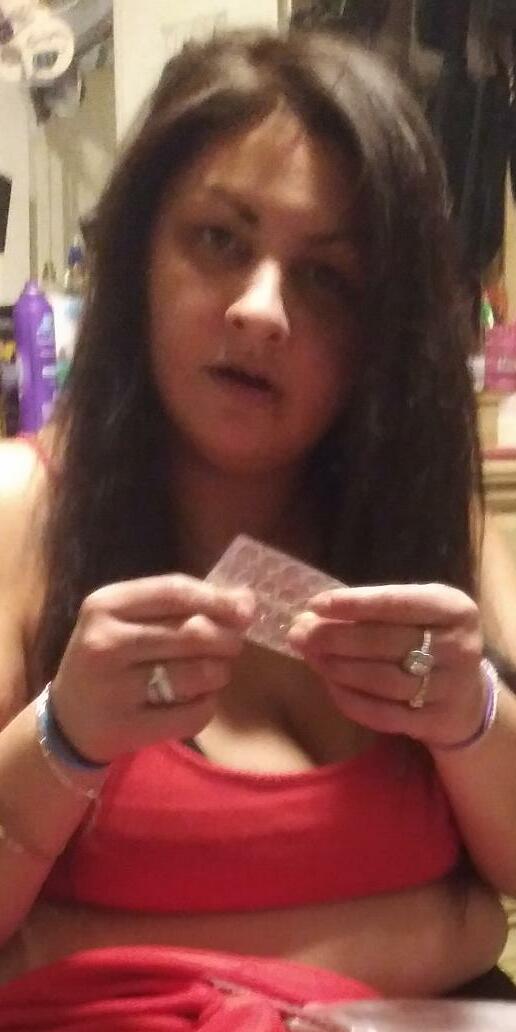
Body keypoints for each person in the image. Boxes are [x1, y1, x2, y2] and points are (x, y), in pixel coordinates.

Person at [0, 25, 515, 1028]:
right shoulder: (24, 511)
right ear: (139, 259)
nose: (260, 310)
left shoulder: (427, 521)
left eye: (327, 279)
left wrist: (474, 717)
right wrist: (62, 740)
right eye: (218, 241)